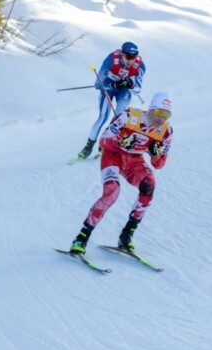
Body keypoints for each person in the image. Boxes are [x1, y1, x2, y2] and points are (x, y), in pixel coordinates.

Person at [69, 92, 174, 255]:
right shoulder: (129, 116)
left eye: (167, 115)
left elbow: (159, 164)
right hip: (113, 156)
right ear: (151, 109)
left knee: (149, 185)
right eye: (160, 112)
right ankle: (81, 238)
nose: (162, 119)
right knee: (112, 192)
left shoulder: (166, 132)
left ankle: (126, 235)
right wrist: (119, 141)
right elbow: (103, 141)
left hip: (134, 161)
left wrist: (155, 154)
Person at [76, 41, 146, 159]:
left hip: (124, 91)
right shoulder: (112, 58)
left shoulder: (140, 65)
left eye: (133, 57)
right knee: (103, 116)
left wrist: (130, 84)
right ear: (122, 54)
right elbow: (98, 84)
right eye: (128, 57)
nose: (130, 61)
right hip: (108, 88)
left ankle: (105, 145)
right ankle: (88, 147)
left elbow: (137, 91)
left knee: (118, 118)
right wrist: (113, 85)